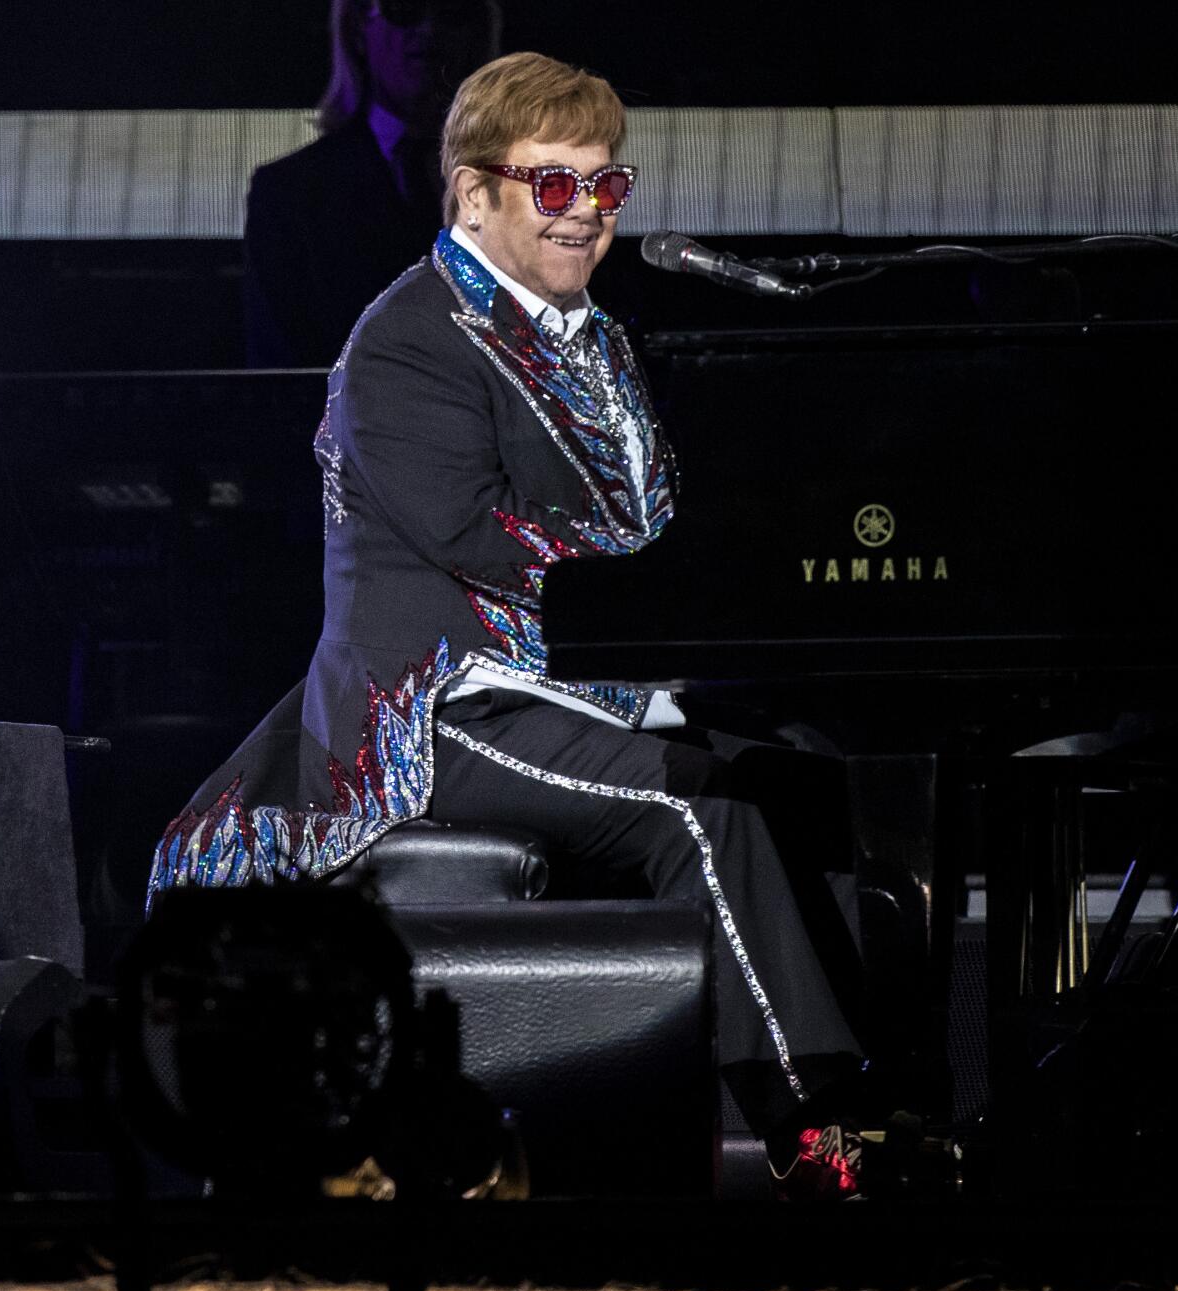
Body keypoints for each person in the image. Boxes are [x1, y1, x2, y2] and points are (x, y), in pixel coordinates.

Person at [158, 52, 870, 1199]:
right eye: (553, 186)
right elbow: (486, 538)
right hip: (437, 700)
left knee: (806, 777)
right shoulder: (406, 339)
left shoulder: (592, 338)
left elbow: (658, 517)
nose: (585, 214)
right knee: (695, 810)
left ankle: (886, 1092)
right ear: (473, 194)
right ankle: (818, 1136)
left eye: (603, 186)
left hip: (578, 679)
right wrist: (652, 587)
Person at [243, 0, 500, 367]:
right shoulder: (289, 193)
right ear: (358, 28)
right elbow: (280, 378)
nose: (428, 31)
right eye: (404, 10)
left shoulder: (521, 183)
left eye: (453, 12)